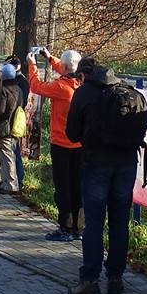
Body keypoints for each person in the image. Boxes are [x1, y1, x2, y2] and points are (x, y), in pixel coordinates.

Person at [66, 59, 147, 294]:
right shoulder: (129, 92)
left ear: (84, 74)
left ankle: (90, 280)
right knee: (119, 222)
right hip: (126, 163)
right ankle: (116, 278)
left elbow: (71, 134)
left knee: (94, 223)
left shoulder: (84, 94)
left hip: (96, 164)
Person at [28, 48, 84, 241]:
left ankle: (65, 228)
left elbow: (37, 87)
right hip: (80, 144)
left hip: (61, 144)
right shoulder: (81, 82)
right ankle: (78, 228)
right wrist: (50, 58)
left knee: (63, 188)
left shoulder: (61, 87)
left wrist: (32, 65)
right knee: (78, 186)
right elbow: (67, 68)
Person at [0, 63, 24, 193]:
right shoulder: (18, 89)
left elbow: (1, 111)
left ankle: (11, 185)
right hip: (16, 126)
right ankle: (6, 183)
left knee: (7, 156)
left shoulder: (4, 90)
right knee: (10, 154)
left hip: (4, 128)